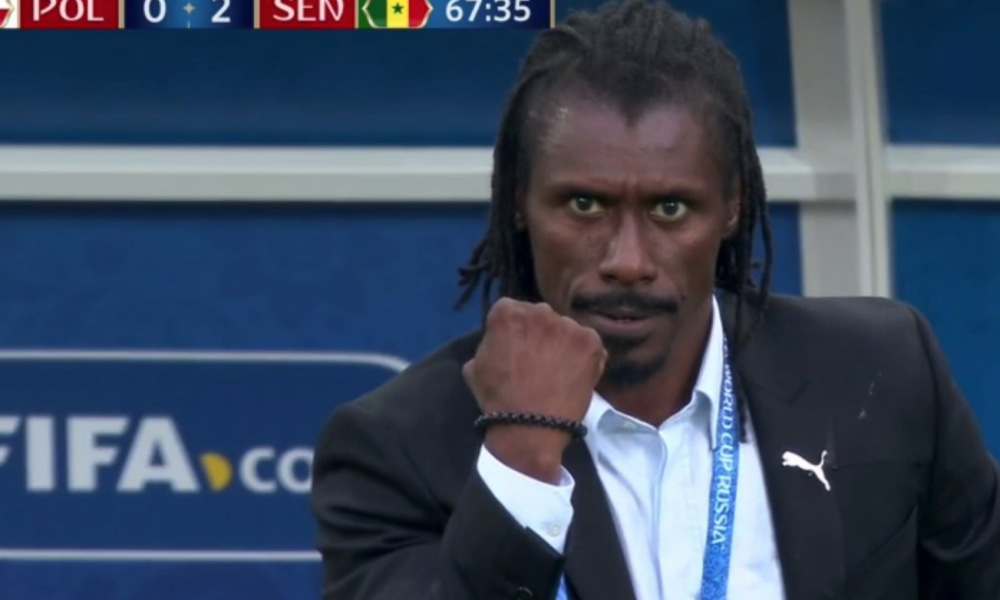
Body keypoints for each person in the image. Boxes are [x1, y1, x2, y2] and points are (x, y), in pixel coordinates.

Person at [310, 1, 1000, 598]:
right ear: (520, 202)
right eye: (584, 205)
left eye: (671, 208)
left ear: (732, 207)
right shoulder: (397, 448)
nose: (628, 262)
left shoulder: (881, 372)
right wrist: (521, 462)